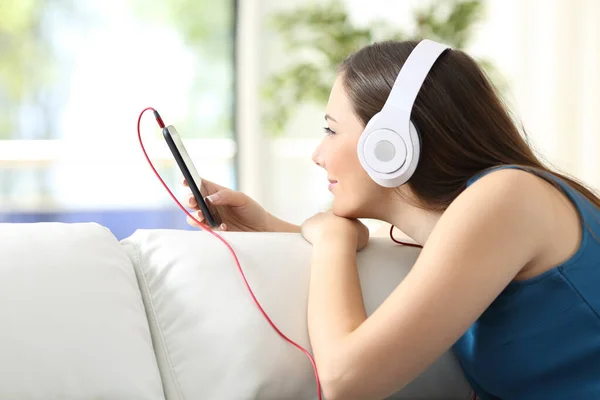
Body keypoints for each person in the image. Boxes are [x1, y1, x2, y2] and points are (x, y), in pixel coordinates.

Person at [182, 40, 600, 400]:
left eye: (331, 130)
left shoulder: (507, 197)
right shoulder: (479, 215)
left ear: (391, 142)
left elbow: (346, 380)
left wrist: (333, 241)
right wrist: (268, 227)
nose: (317, 154)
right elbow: (403, 259)